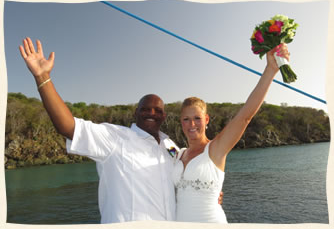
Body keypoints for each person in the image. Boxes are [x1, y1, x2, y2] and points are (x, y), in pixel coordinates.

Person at [18, 37, 222, 224]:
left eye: (157, 110)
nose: (151, 113)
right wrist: (43, 78)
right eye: (145, 109)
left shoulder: (170, 146)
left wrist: (209, 194)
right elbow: (68, 127)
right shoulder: (114, 138)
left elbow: (186, 177)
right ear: (136, 113)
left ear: (164, 116)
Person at [172, 44, 290, 223]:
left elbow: (244, 117)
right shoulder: (176, 154)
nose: (192, 124)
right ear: (181, 122)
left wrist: (270, 70)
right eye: (186, 119)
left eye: (197, 118)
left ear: (207, 120)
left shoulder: (215, 149)